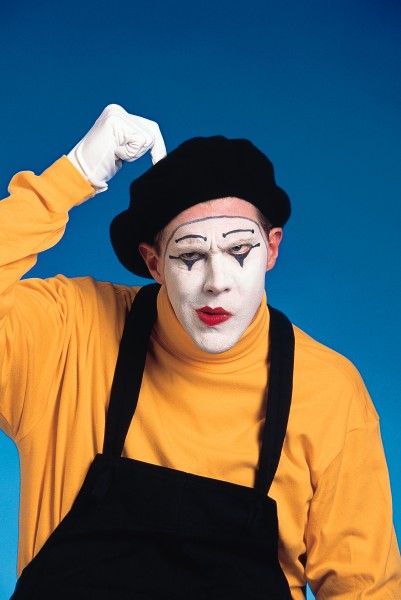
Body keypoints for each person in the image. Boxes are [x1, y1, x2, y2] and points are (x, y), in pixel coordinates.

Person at [1, 103, 400, 599]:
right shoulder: (67, 336)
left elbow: (367, 590)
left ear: (272, 249)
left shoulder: (329, 392)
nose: (217, 283)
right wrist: (71, 177)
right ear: (153, 262)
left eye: (239, 251)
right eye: (190, 255)